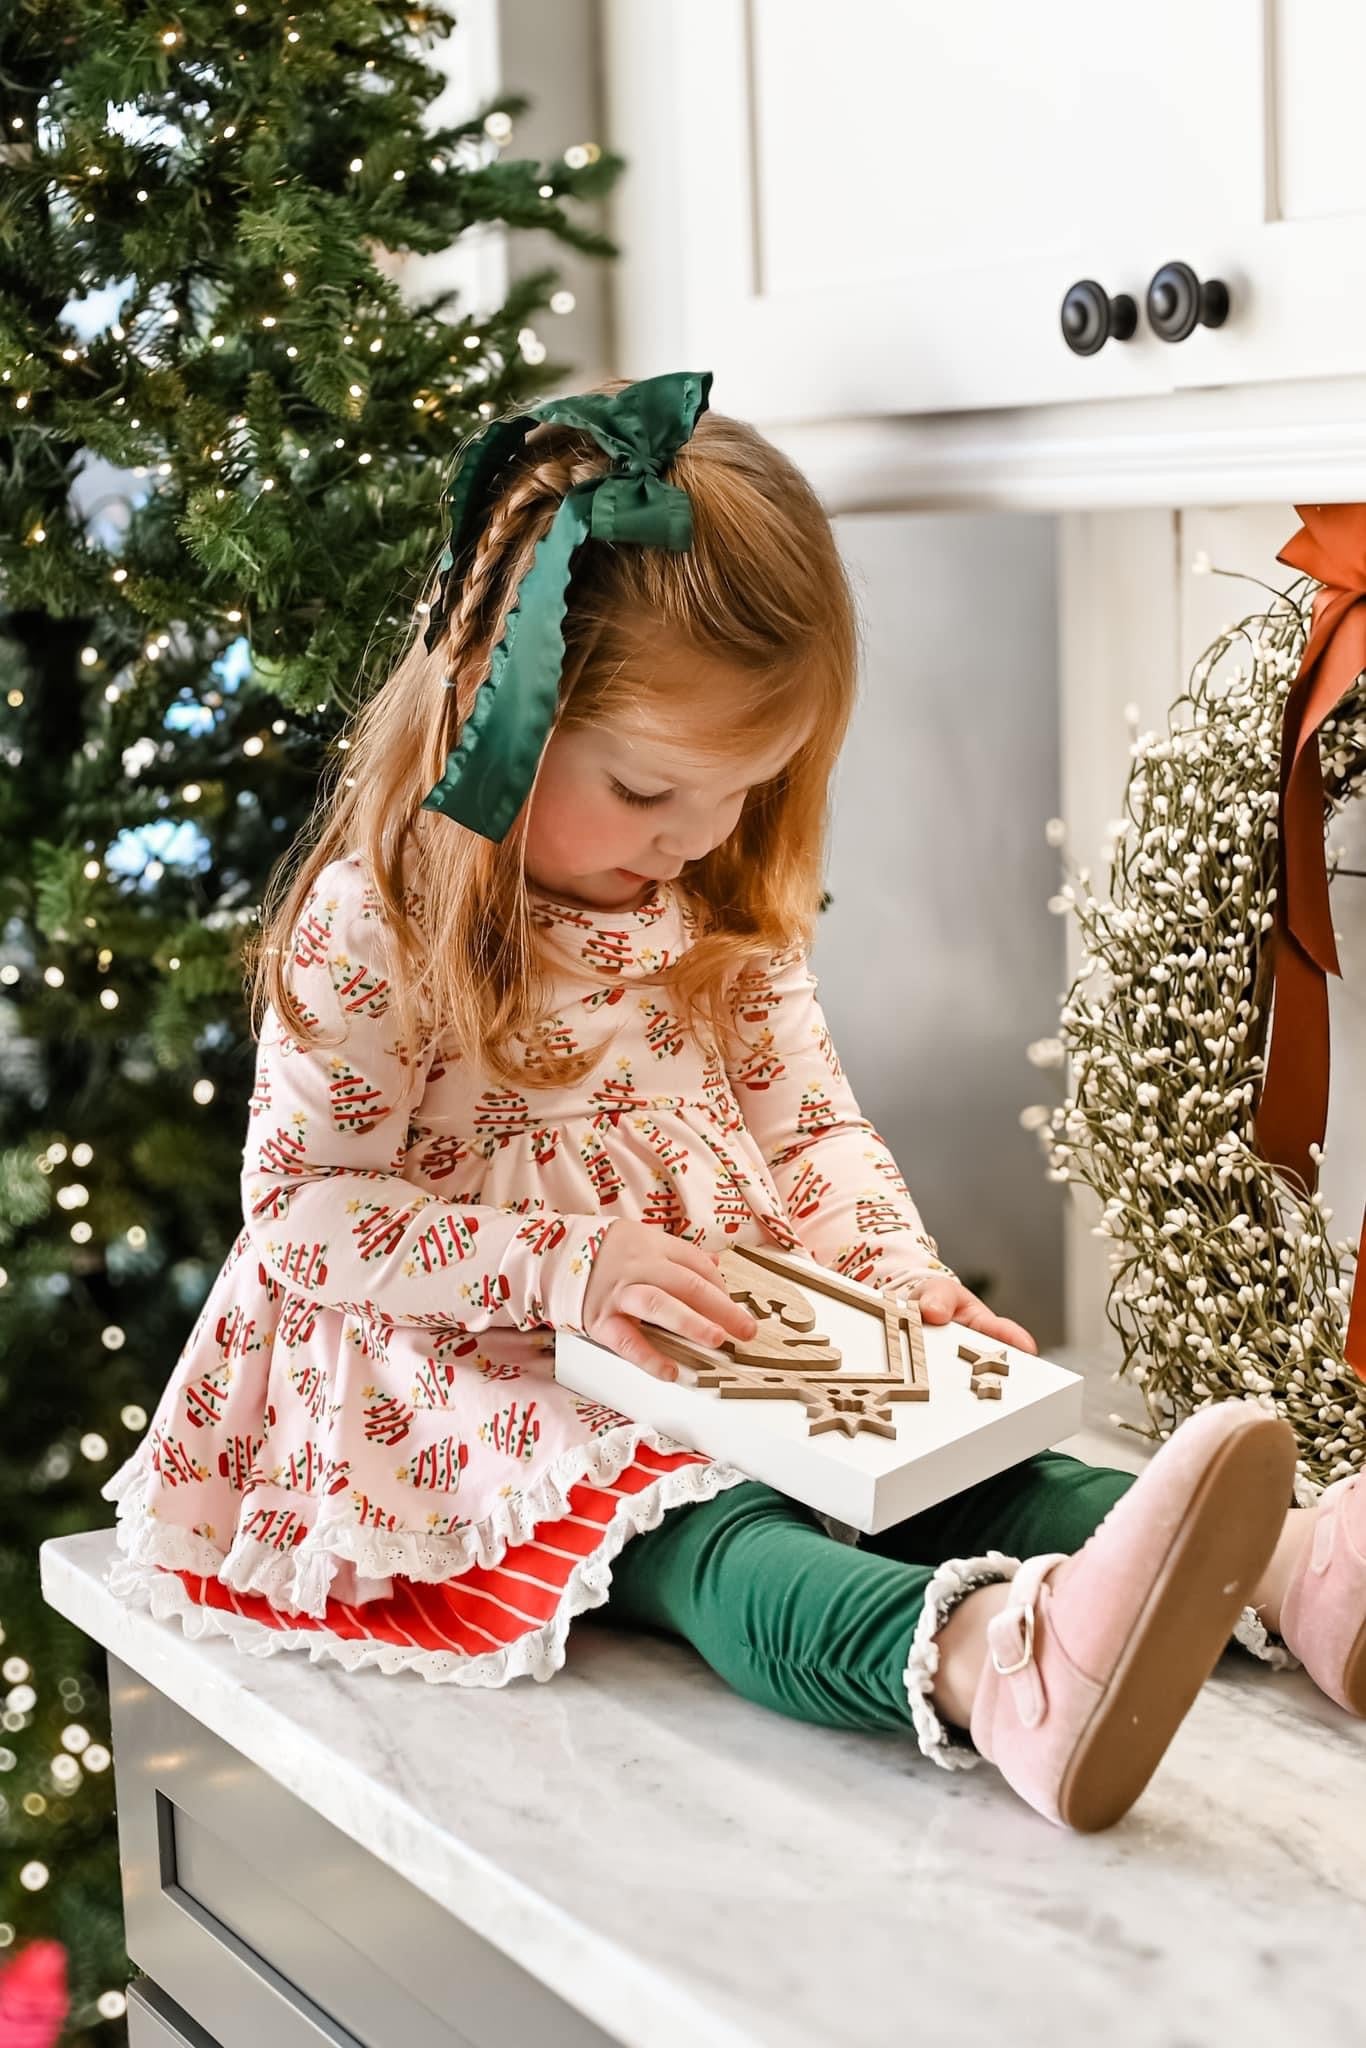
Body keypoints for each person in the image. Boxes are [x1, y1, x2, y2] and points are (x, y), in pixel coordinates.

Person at [101, 371, 1365, 1834]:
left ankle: (1293, 1572)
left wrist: (897, 1279)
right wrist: (568, 1268)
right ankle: (989, 1672)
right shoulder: (375, 929)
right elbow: (303, 1216)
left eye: (740, 793)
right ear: (502, 705)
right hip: (483, 1384)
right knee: (714, 1531)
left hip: (723, 1337)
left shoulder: (705, 902)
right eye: (649, 790)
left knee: (971, 1475)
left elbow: (806, 1130)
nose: (697, 837)